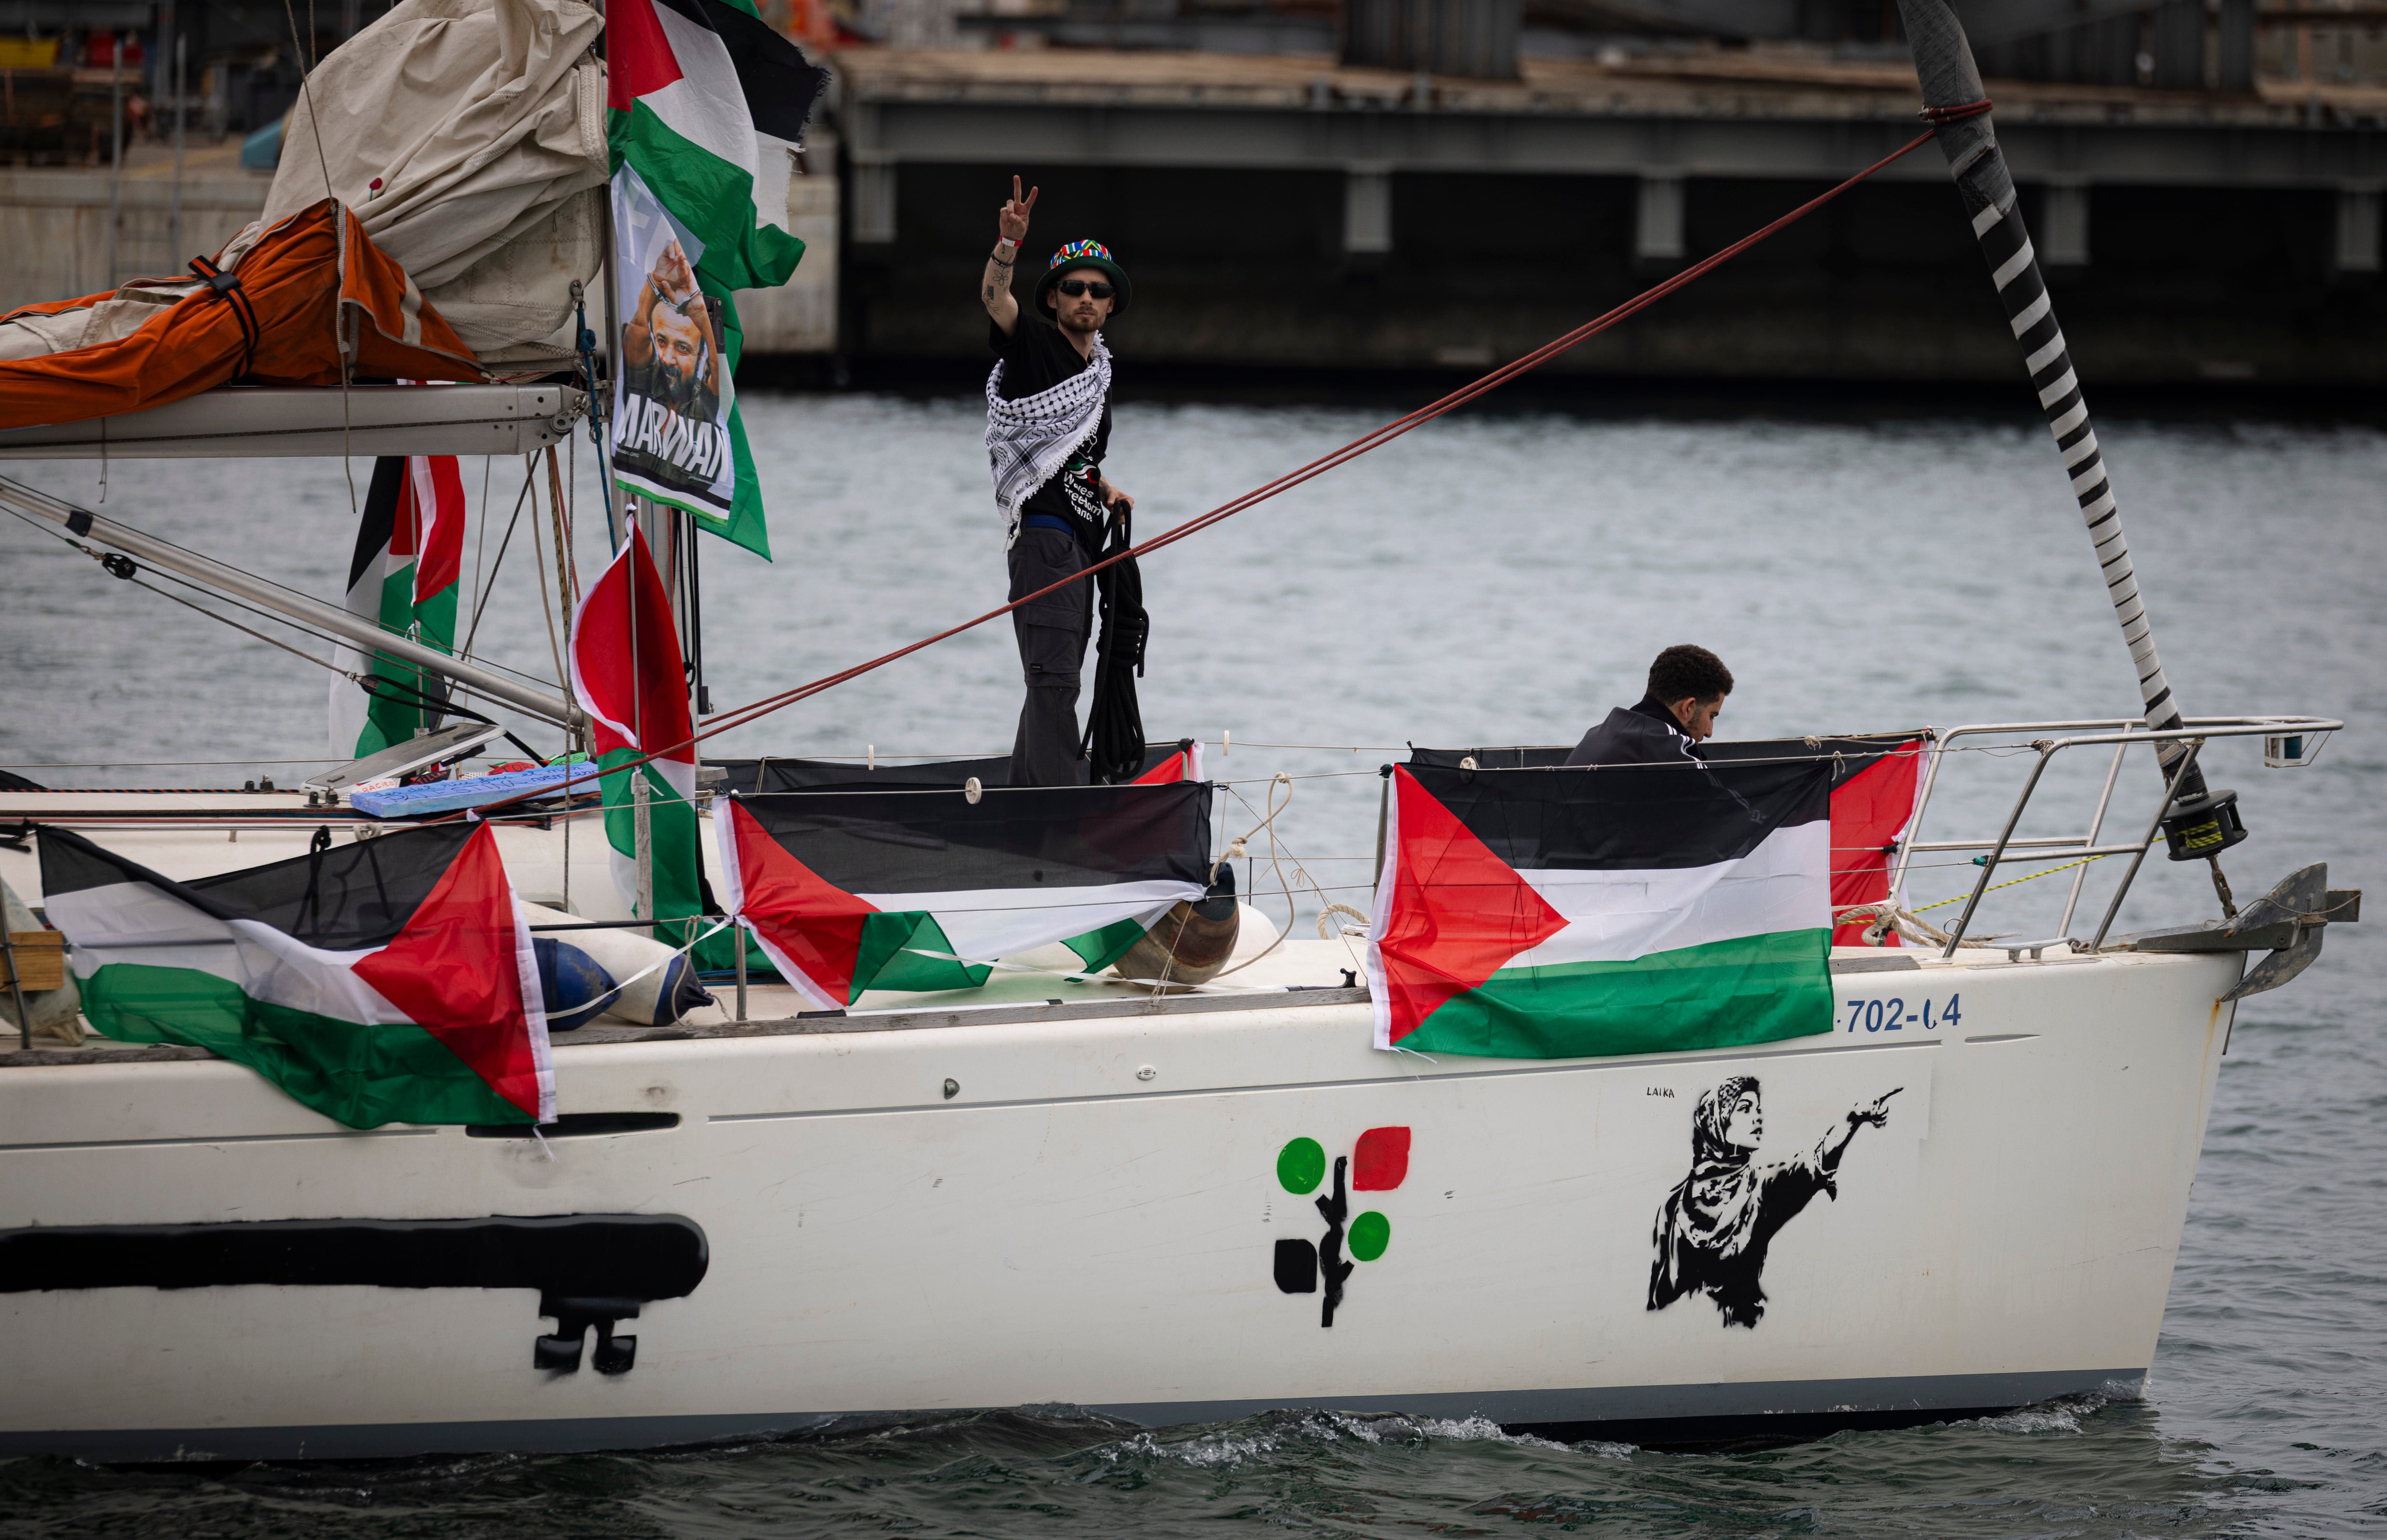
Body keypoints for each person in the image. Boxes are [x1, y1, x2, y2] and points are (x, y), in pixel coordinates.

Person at [980, 176, 1135, 787]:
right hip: (1044, 543)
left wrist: (1104, 490)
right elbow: (996, 299)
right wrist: (1006, 246)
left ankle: (1025, 801)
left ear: (1110, 305)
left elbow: (1072, 457)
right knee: (1053, 679)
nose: (1086, 299)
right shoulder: (1033, 346)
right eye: (1074, 288)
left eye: (1098, 291)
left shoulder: (1097, 375)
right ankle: (1058, 815)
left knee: (1058, 674)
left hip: (1080, 544)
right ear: (1053, 299)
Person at [1647, 1076, 1900, 1328]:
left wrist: (1854, 1118)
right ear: (1718, 1121)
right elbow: (1660, 1295)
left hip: (1743, 1336)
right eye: (1745, 1108)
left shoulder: (1762, 1185)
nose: (1758, 1117)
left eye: (1757, 1109)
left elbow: (1815, 1162)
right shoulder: (1675, 1204)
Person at [1565, 643, 1733, 767]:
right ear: (1688, 708)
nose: (1710, 732)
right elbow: (1734, 808)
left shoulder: (1595, 736)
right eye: (1711, 716)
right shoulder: (1671, 751)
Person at [621, 238, 722, 426]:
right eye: (661, 342)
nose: (667, 358)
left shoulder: (705, 402)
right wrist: (656, 282)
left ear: (701, 355)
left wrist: (699, 314)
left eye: (682, 348)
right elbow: (638, 331)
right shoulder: (646, 383)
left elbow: (718, 369)